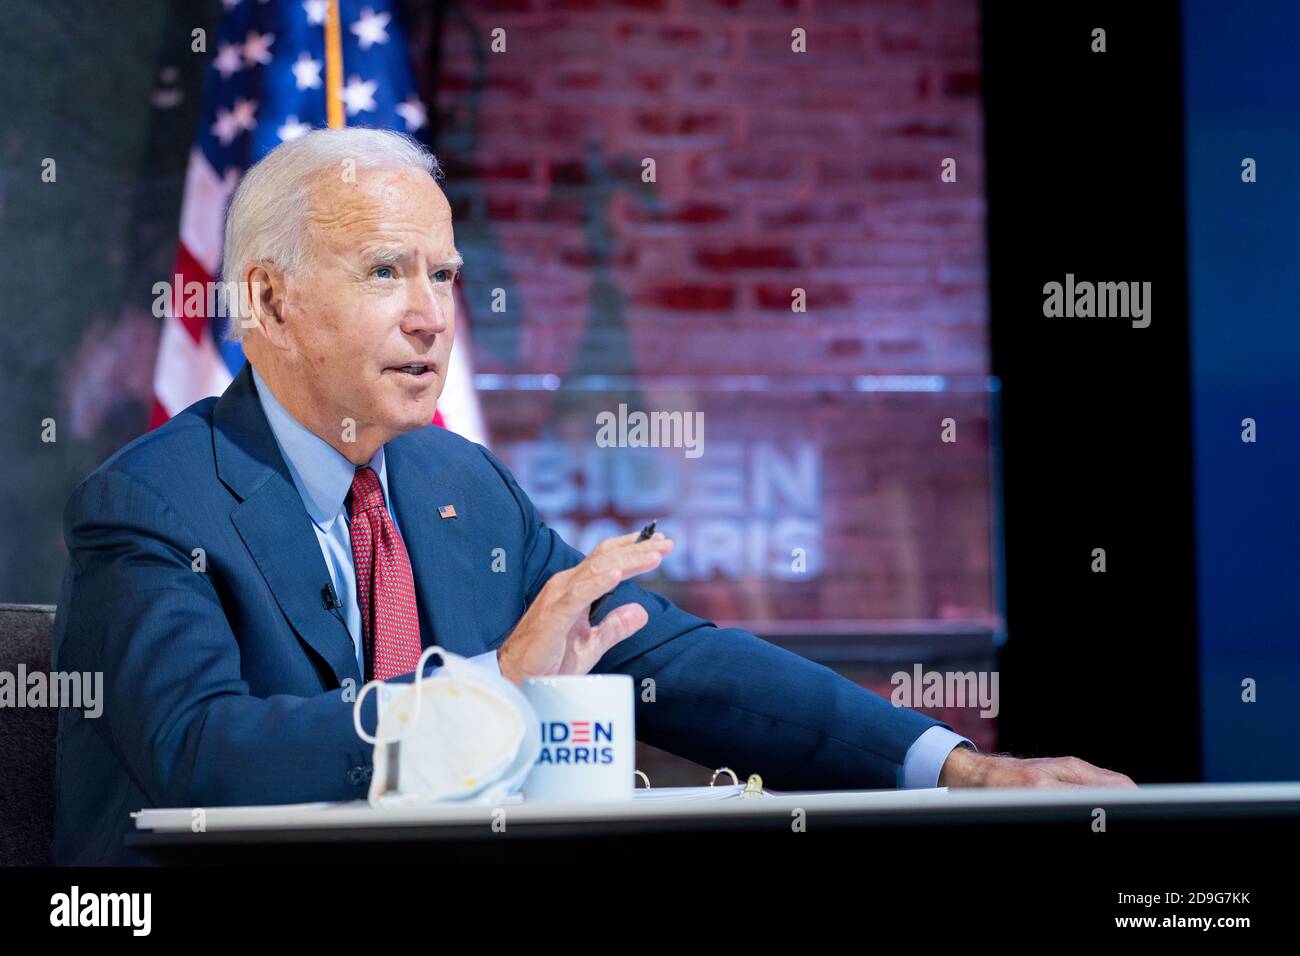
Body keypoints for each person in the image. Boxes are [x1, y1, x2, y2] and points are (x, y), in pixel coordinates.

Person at [51, 128, 1134, 865]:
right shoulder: (153, 505)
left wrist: (950, 766)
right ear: (270, 301)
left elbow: (668, 659)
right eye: (387, 272)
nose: (433, 315)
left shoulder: (454, 481)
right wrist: (488, 685)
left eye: (444, 273)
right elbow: (201, 761)